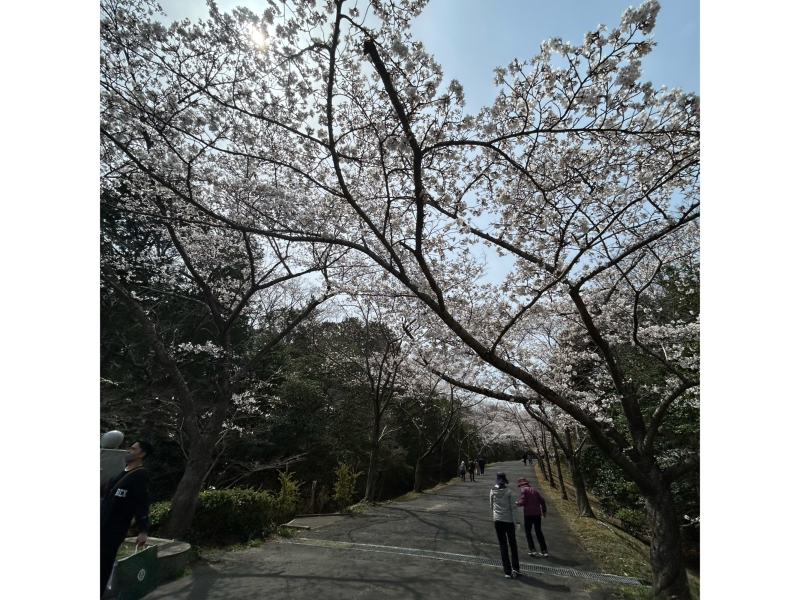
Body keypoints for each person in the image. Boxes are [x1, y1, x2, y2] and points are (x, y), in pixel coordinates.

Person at [101, 440, 153, 596]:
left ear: (142, 454)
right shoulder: (120, 473)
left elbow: (142, 503)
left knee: (102, 566)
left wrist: (143, 530)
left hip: (114, 530)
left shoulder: (140, 475)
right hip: (100, 525)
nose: (129, 450)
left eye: (133, 448)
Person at [490, 472, 521, 578]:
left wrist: (496, 514)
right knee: (513, 544)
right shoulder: (509, 492)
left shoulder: (492, 491)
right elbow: (514, 508)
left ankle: (507, 571)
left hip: (498, 520)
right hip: (509, 521)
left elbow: (491, 506)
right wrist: (517, 521)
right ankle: (516, 568)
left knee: (503, 545)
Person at [515, 477, 549, 557]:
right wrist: (544, 511)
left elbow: (523, 502)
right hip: (537, 514)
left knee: (528, 531)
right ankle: (544, 550)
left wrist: (516, 503)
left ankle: (532, 549)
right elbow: (542, 501)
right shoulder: (535, 491)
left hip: (528, 514)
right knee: (538, 531)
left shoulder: (524, 490)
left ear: (522, 484)